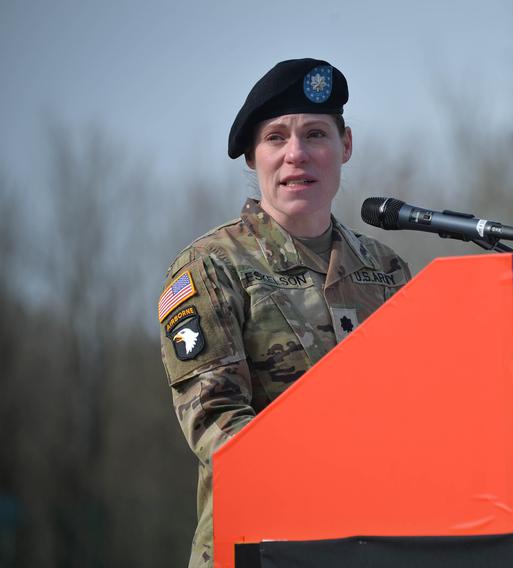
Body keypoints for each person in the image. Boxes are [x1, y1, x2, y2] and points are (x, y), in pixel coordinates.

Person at [158, 58, 411, 568]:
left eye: (315, 134)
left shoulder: (387, 270)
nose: (297, 154)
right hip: (262, 547)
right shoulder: (211, 267)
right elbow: (216, 421)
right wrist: (332, 478)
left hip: (380, 546)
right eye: (276, 137)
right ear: (253, 158)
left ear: (345, 146)